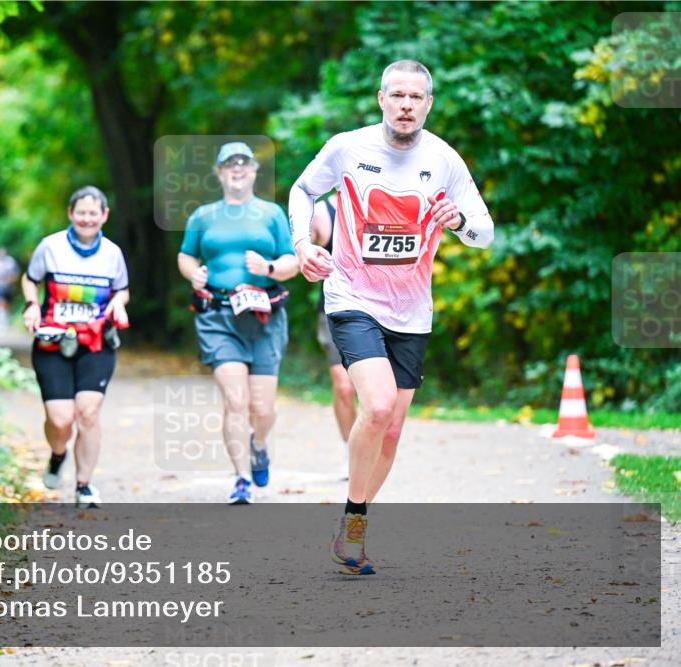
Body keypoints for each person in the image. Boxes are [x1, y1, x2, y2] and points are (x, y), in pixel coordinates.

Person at [289, 60, 495, 573]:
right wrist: (301, 245)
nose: (406, 105)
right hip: (352, 297)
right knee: (378, 407)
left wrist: (460, 221)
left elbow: (485, 232)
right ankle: (355, 523)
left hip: (412, 311)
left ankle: (352, 522)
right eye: (397, 95)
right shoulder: (348, 148)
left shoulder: (444, 160)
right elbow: (302, 190)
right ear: (381, 99)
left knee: (394, 430)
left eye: (416, 97)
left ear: (428, 104)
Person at [177, 142, 299, 505]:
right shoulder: (203, 216)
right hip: (218, 315)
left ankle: (258, 444)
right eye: (230, 164)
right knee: (235, 400)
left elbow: (292, 261)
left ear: (254, 172)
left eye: (244, 163)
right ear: (219, 172)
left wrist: (270, 267)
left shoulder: (272, 214)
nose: (237, 169)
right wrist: (193, 274)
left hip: (265, 316)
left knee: (262, 408)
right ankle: (242, 479)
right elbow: (186, 256)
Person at [21, 186, 129, 508]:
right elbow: (30, 279)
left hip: (96, 342)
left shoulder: (112, 253)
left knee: (88, 413)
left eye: (93, 213)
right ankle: (58, 454)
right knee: (60, 419)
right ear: (70, 214)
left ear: (104, 216)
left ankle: (84, 485)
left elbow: (122, 290)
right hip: (53, 341)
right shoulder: (50, 246)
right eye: (81, 212)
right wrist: (32, 305)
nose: (87, 219)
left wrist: (119, 304)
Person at [310, 197, 357, 480]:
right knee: (344, 386)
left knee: (375, 392)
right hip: (333, 310)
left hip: (379, 309)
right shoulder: (320, 212)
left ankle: (370, 448)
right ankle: (350, 451)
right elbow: (298, 255)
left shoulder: (380, 199)